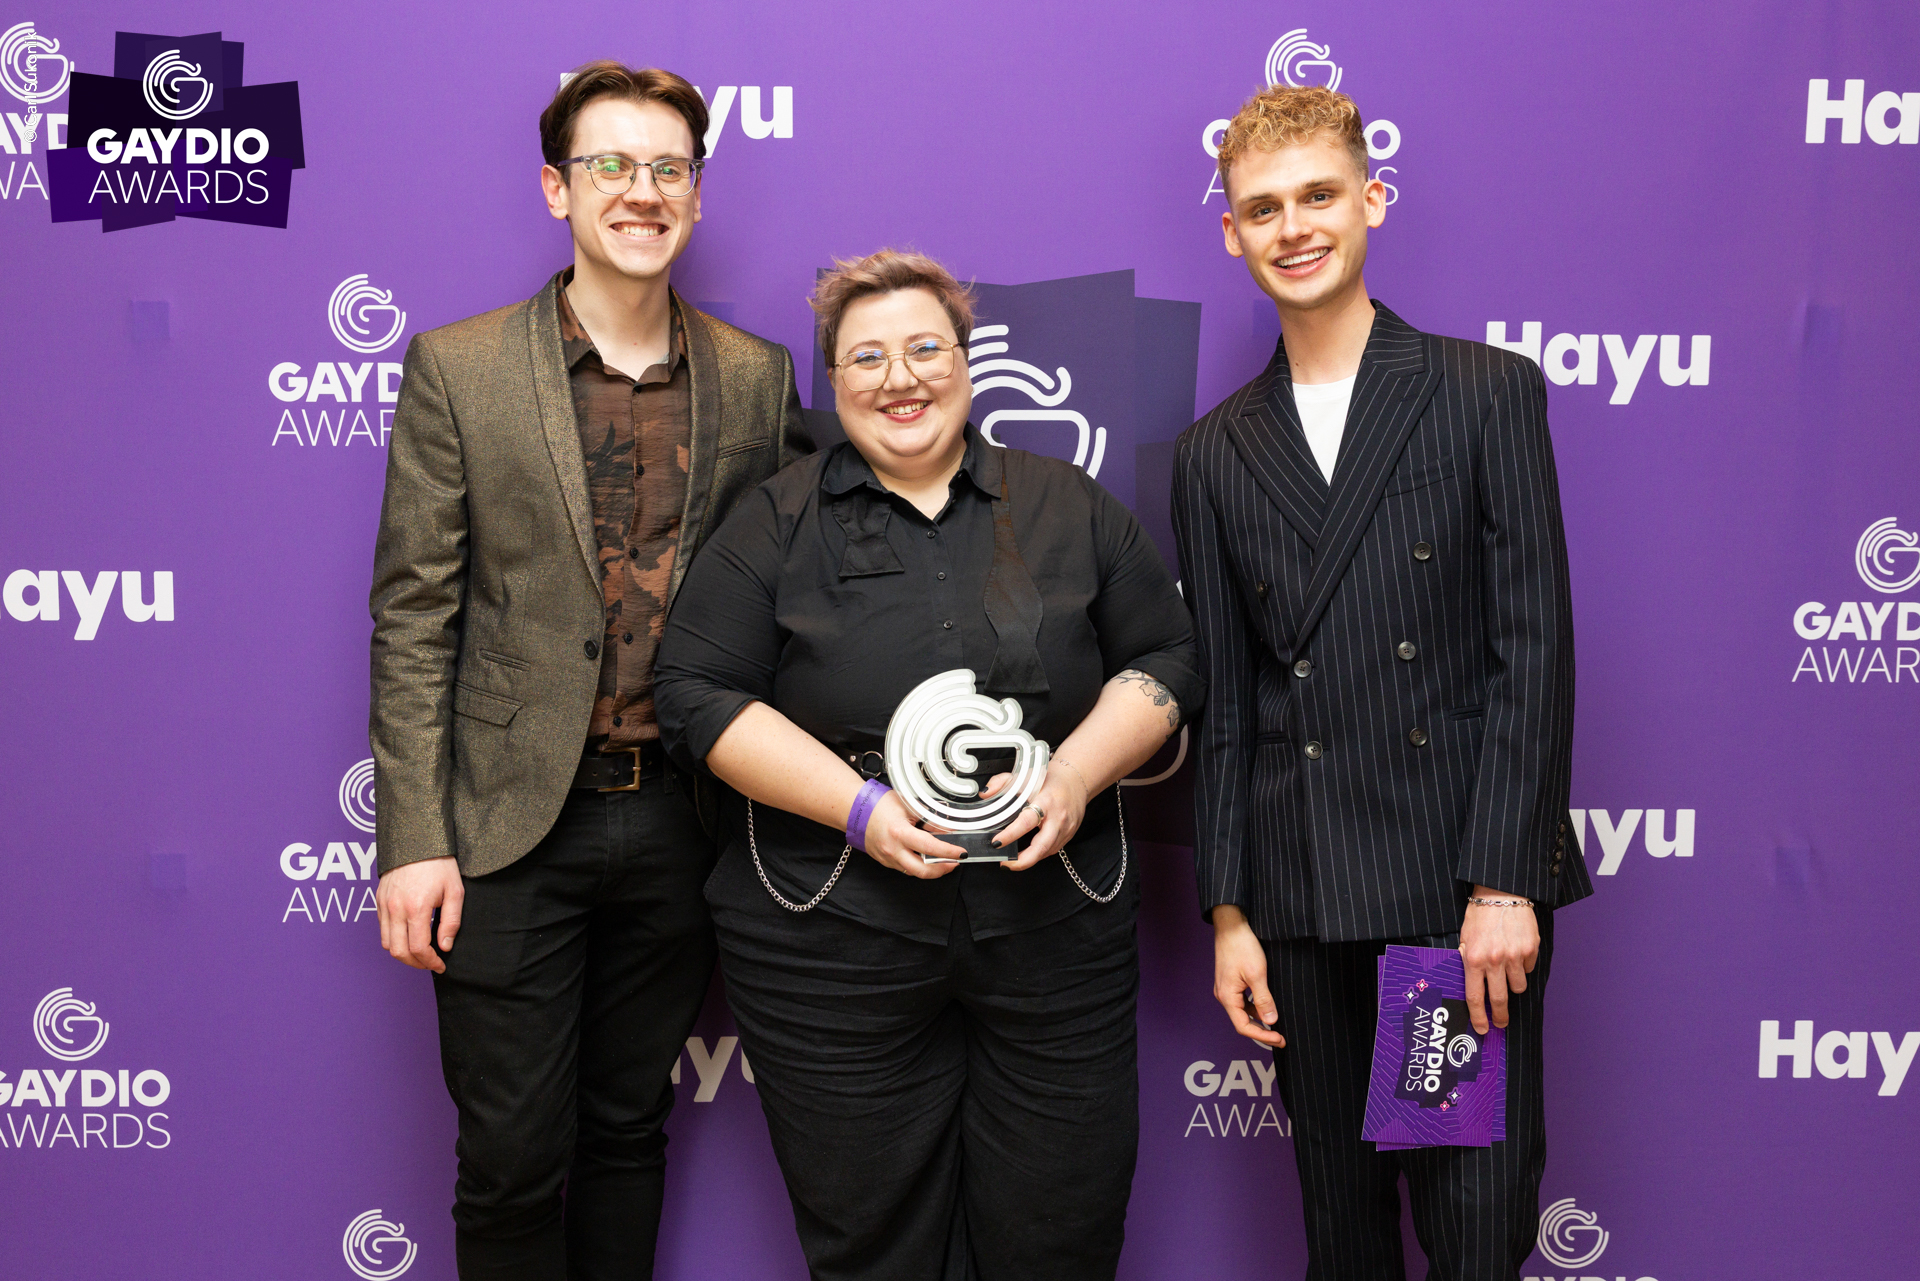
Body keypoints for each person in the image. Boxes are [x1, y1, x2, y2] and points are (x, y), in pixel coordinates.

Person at [652, 248, 1202, 1280]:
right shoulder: (773, 520)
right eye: (866, 358)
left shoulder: (1069, 504)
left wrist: (1076, 774)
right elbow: (694, 691)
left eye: (924, 349)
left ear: (966, 361)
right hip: (829, 939)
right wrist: (856, 808)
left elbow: (1169, 658)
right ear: (832, 380)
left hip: (1056, 935)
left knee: (1062, 1237)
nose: (898, 378)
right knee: (872, 1247)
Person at [367, 61, 810, 1281]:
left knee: (626, 1132)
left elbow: (782, 602)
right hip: (510, 827)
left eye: (668, 168)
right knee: (511, 1160)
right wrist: (414, 837)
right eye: (610, 164)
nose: (641, 191)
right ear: (557, 189)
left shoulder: (758, 376)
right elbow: (414, 617)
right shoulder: (459, 367)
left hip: (682, 822)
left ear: (698, 196)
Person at [1171, 85, 1591, 1278]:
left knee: (1469, 1226)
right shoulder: (1214, 453)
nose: (1294, 226)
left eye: (1318, 196)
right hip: (1302, 898)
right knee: (1343, 1232)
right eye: (1264, 208)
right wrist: (1230, 910)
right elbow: (1230, 704)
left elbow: (1532, 649)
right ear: (1231, 233)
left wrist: (1504, 880)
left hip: (1443, 898)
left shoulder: (1480, 391)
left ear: (1373, 200)